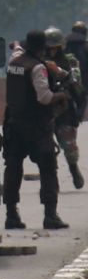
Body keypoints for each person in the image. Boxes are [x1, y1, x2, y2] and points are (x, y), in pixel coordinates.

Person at [3, 31, 69, 230]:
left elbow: (15, 50)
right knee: (48, 168)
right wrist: (61, 95)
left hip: (14, 124)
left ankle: (11, 215)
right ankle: (50, 215)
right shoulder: (38, 68)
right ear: (44, 48)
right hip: (37, 127)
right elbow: (44, 97)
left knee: (13, 168)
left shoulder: (14, 62)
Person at [45, 27, 85, 189]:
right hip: (45, 108)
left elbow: (77, 84)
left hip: (64, 108)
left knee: (69, 147)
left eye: (55, 47)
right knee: (45, 148)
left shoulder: (70, 61)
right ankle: (51, 178)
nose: (52, 51)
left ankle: (73, 168)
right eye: (49, 48)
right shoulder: (39, 61)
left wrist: (61, 74)